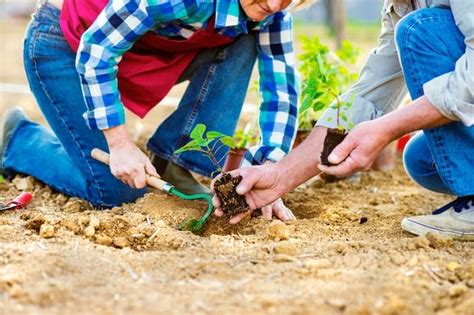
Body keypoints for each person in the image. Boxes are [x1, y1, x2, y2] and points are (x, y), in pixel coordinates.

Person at [0, 0, 313, 218]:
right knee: (114, 191)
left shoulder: (270, 12)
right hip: (65, 45)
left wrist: (271, 172)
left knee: (244, 34)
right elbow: (97, 51)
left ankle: (177, 161)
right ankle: (21, 140)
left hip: (133, 51)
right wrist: (120, 144)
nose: (274, 4)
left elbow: (282, 89)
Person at [213, 0, 474, 240]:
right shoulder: (401, 4)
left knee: (420, 29)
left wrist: (388, 128)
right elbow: (370, 96)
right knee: (422, 160)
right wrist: (280, 175)